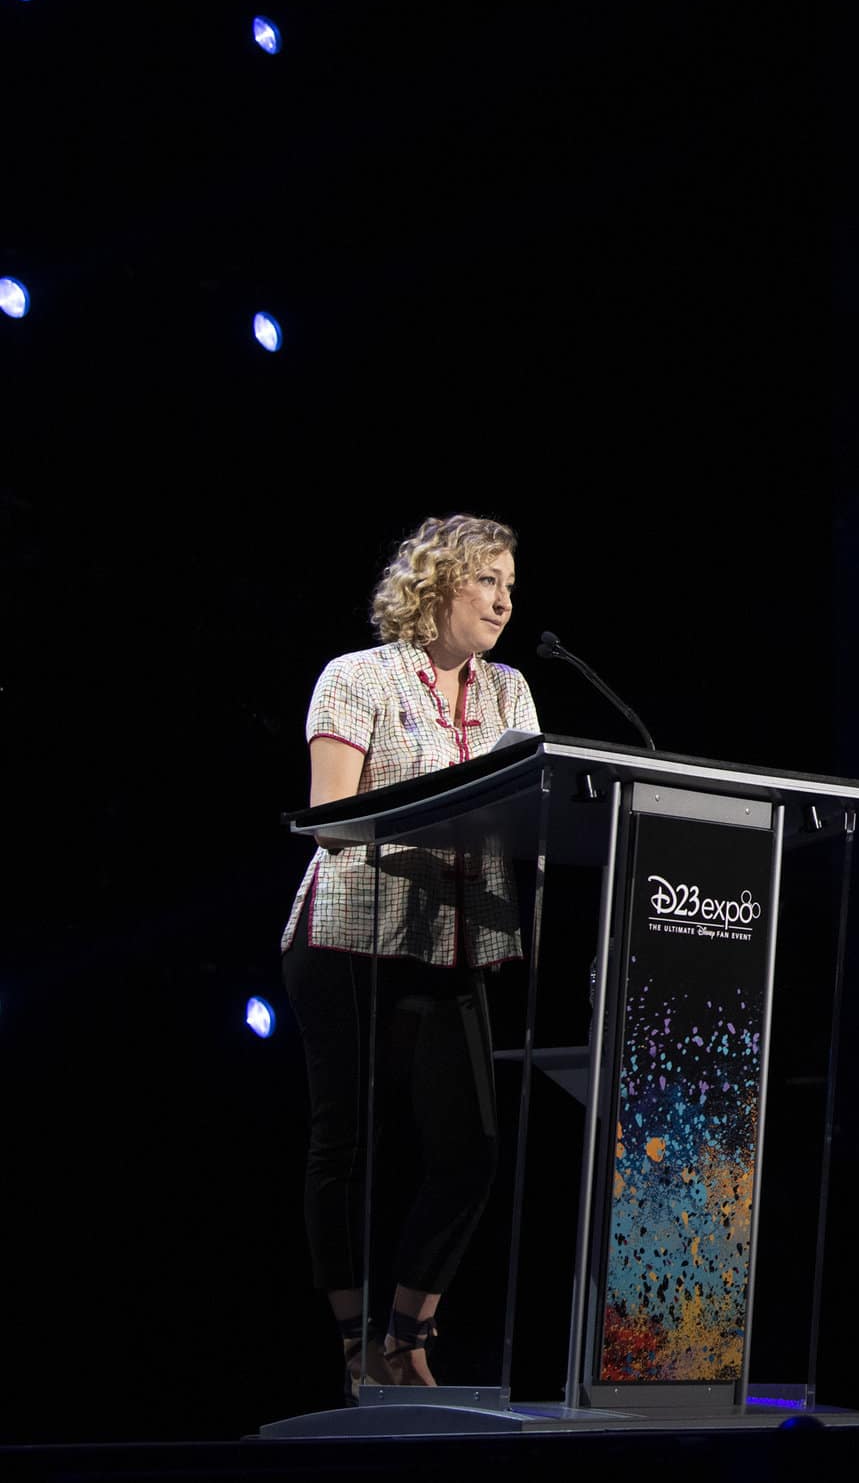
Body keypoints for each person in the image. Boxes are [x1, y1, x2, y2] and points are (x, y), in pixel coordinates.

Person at [280, 515, 539, 1395]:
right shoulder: (356, 677)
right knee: (347, 1142)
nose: (504, 602)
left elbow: (528, 815)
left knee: (473, 1150)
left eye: (510, 585)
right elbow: (330, 820)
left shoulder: (512, 693)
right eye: (488, 581)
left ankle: (406, 1335)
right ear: (437, 584)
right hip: (350, 935)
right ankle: (356, 1344)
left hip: (451, 940)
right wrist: (450, 815)